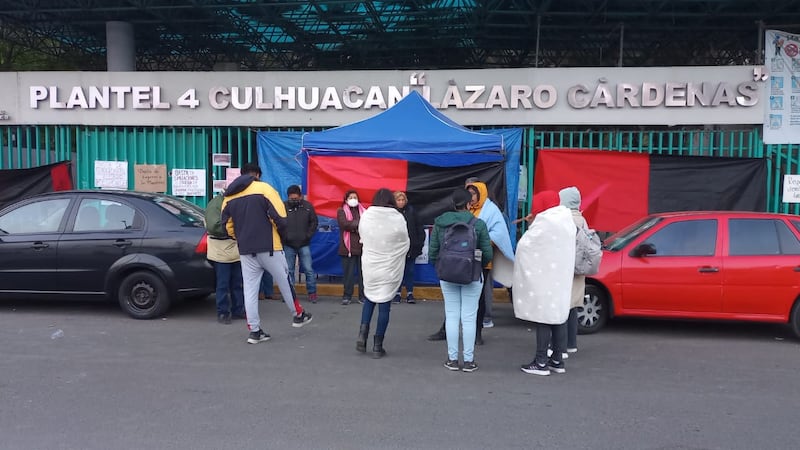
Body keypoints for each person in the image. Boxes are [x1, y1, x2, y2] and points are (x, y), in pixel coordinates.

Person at [220, 163, 312, 344]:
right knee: (285, 281)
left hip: (246, 250)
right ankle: (298, 315)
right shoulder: (264, 189)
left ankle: (254, 331)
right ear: (257, 174)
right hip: (270, 246)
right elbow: (280, 217)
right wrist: (281, 237)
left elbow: (227, 227)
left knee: (250, 290)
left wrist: (241, 238)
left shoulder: (228, 197)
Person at [429, 188, 493, 372]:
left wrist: (442, 266)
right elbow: (487, 253)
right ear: (468, 204)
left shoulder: (440, 223)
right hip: (472, 274)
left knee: (452, 315)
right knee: (469, 317)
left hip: (447, 274)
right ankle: (469, 361)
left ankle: (452, 359)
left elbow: (433, 252)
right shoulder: (478, 224)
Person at [514, 191, 576, 376]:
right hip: (562, 277)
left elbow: (525, 245)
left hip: (545, 277)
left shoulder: (545, 222)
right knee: (558, 317)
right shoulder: (566, 220)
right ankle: (557, 360)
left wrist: (531, 224)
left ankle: (540, 362)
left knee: (543, 317)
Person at [355, 189, 409, 358]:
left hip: (371, 265)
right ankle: (378, 346)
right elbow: (404, 241)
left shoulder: (367, 215)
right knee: (384, 304)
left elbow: (362, 236)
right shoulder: (397, 217)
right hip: (389, 266)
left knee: (369, 299)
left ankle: (362, 336)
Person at [205, 192, 246, 324]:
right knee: (223, 284)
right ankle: (223, 312)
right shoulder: (217, 204)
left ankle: (238, 310)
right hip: (221, 251)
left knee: (237, 283)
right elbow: (214, 226)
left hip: (234, 250)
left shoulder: (232, 202)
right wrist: (235, 230)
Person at [560, 186, 586, 355]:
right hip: (579, 269)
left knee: (563, 307)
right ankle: (571, 343)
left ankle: (560, 346)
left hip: (566, 268)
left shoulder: (566, 219)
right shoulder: (582, 219)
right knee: (573, 307)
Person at [284, 185, 319, 303]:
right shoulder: (283, 206)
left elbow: (314, 223)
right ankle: (290, 295)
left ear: (300, 196)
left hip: (304, 243)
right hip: (288, 244)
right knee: (289, 270)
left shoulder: (308, 206)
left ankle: (312, 292)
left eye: (295, 198)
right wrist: (285, 237)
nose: (293, 200)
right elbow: (279, 223)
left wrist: (307, 236)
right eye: (291, 198)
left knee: (309, 269)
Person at [392, 191, 425, 304]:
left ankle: (410, 293)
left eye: (402, 200)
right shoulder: (392, 213)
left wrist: (418, 243)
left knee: (409, 270)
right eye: (398, 200)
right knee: (397, 271)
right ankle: (397, 293)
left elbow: (419, 227)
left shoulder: (411, 211)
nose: (401, 202)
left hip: (411, 247)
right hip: (396, 248)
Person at [337, 190, 366, 305]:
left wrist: (353, 225)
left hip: (362, 247)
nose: (353, 199)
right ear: (346, 199)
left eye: (355, 197)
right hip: (347, 248)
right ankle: (347, 296)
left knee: (363, 275)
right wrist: (359, 225)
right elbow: (344, 224)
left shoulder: (364, 211)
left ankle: (362, 296)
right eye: (351, 197)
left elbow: (367, 224)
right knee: (348, 275)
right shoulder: (341, 211)